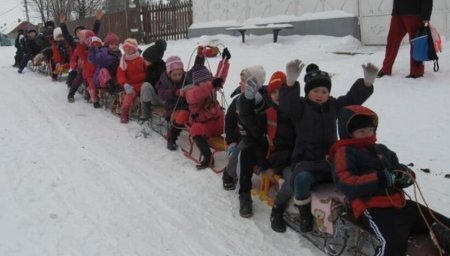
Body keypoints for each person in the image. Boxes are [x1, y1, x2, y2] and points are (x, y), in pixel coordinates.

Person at [329, 105, 450, 256]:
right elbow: (346, 182)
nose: (368, 135)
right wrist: (381, 179)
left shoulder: (382, 150)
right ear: (349, 133)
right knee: (393, 244)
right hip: (373, 208)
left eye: (371, 130)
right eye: (362, 132)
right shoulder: (345, 152)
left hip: (400, 204)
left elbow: (398, 167)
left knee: (443, 222)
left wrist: (405, 176)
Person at [278, 60, 379, 232]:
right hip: (306, 162)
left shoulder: (333, 105)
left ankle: (358, 211)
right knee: (301, 180)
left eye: (324, 91)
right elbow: (287, 107)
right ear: (308, 92)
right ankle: (304, 215)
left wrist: (366, 83)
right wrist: (290, 82)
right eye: (315, 91)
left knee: (351, 176)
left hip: (330, 161)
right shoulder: (300, 108)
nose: (320, 94)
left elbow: (351, 100)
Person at [237, 69, 296, 219]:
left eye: (281, 90)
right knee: (246, 153)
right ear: (269, 94)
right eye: (274, 91)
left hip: (292, 158)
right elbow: (247, 119)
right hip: (273, 156)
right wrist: (247, 99)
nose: (278, 94)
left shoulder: (297, 111)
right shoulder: (268, 115)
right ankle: (244, 195)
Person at [183, 47, 230, 169]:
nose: (207, 83)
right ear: (196, 83)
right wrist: (211, 85)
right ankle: (207, 156)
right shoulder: (191, 92)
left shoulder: (212, 84)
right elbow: (199, 93)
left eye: (208, 80)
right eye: (204, 81)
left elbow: (220, 77)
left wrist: (225, 61)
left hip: (218, 121)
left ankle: (238, 143)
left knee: (232, 119)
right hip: (204, 126)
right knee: (195, 129)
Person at [377, 0, 433, 79]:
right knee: (392, 41)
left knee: (416, 43)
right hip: (397, 12)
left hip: (414, 12)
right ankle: (386, 69)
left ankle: (416, 71)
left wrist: (426, 16)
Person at [156, 55, 192, 150]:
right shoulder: (164, 81)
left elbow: (196, 68)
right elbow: (162, 94)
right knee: (183, 115)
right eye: (174, 75)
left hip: (188, 106)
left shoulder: (186, 78)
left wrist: (200, 56)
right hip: (172, 108)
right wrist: (174, 92)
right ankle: (171, 138)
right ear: (169, 73)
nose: (178, 77)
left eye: (179, 74)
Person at [116, 38, 146, 123]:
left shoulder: (141, 59)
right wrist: (124, 83)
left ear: (135, 49)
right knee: (129, 97)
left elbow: (146, 69)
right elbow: (120, 74)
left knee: (146, 94)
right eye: (126, 49)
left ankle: (145, 111)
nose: (127, 50)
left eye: (130, 48)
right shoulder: (123, 61)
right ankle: (124, 112)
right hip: (131, 85)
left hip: (142, 83)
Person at [140, 39, 167, 120]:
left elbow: (149, 83)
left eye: (145, 59)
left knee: (145, 86)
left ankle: (146, 112)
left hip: (162, 99)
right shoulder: (152, 67)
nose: (143, 61)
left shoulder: (159, 70)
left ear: (152, 59)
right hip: (160, 97)